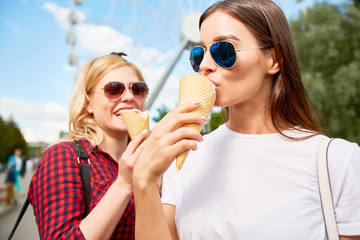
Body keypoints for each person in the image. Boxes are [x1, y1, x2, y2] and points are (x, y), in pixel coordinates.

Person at [132, 0, 360, 239]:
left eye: (224, 51)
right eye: (198, 54)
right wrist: (145, 180)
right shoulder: (184, 156)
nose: (205, 66)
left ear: (274, 60)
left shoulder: (337, 161)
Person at [28, 52, 149, 239]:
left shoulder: (148, 160)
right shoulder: (63, 156)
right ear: (88, 104)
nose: (129, 97)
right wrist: (124, 183)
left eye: (138, 89)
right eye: (114, 89)